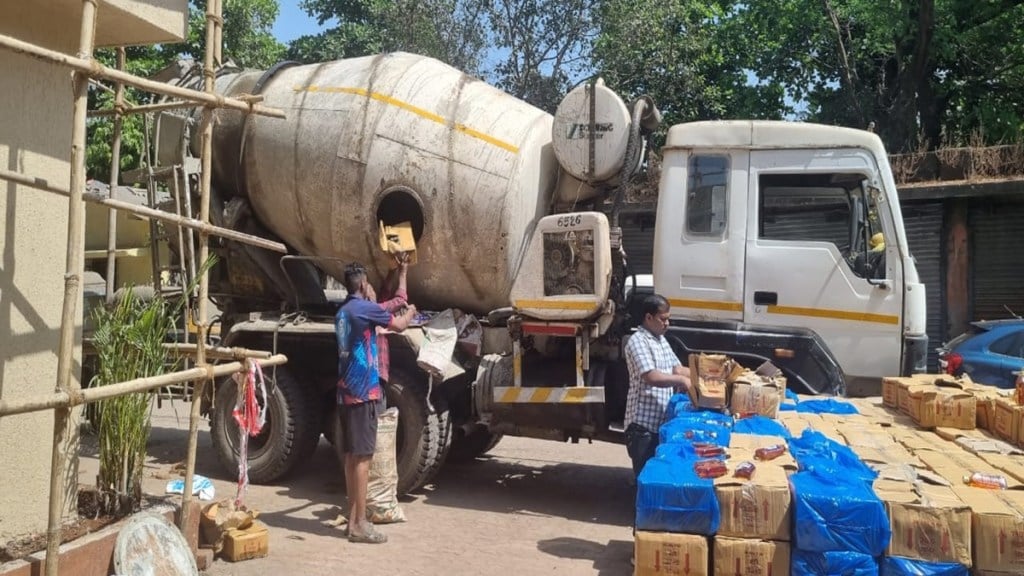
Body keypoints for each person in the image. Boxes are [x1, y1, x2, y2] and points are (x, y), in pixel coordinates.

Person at [336, 262, 417, 544]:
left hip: (346, 391)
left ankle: (354, 518)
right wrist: (411, 312)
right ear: (361, 285)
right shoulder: (364, 309)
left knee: (351, 456)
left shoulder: (343, 311)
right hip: (363, 392)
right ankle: (359, 524)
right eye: (368, 283)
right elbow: (398, 320)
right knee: (363, 458)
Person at [623, 294, 691, 555]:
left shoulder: (660, 340)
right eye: (663, 319)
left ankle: (653, 550)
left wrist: (706, 373)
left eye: (668, 318)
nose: (667, 323)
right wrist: (682, 383)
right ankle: (639, 554)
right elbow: (651, 376)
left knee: (658, 490)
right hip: (642, 429)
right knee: (646, 491)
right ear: (648, 317)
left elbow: (677, 369)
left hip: (659, 427)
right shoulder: (637, 341)